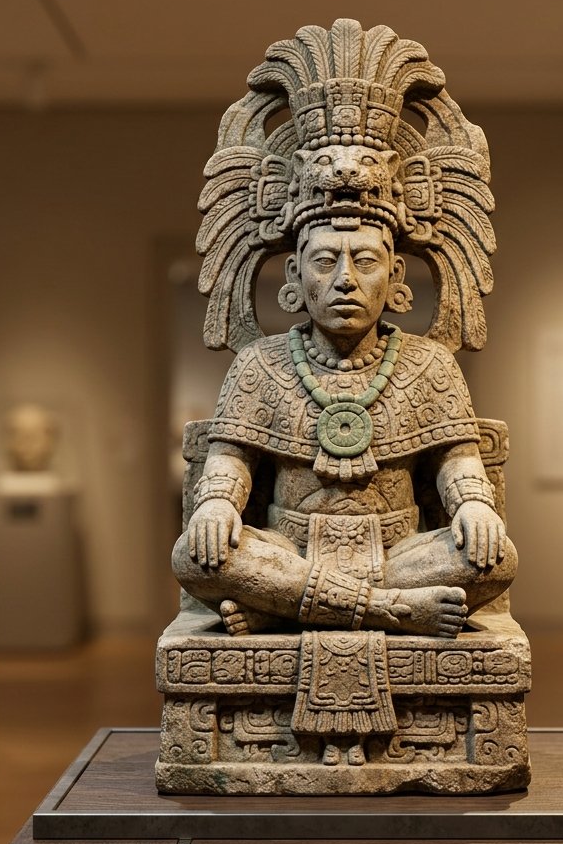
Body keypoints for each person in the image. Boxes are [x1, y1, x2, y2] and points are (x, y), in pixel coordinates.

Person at [173, 212, 516, 637]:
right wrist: (218, 504)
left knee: (495, 558)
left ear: (395, 276)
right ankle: (390, 609)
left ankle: (282, 608)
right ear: (295, 275)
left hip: (397, 554)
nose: (345, 279)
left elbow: (456, 457)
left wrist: (473, 506)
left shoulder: (429, 364)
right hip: (290, 550)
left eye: (366, 262)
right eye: (324, 261)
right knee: (194, 554)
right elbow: (231, 457)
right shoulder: (261, 363)